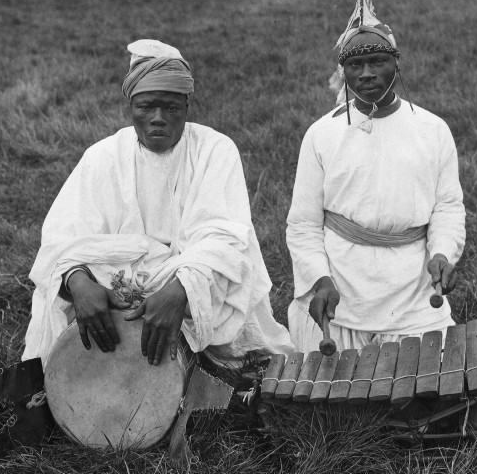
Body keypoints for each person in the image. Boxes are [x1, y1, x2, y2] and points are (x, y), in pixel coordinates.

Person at [22, 39, 294, 368]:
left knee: (229, 270)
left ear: (187, 106)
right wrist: (78, 282)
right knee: (61, 296)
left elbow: (225, 238)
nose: (158, 118)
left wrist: (182, 289)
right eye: (146, 107)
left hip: (188, 281)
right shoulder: (103, 157)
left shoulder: (214, 150)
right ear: (131, 106)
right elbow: (63, 235)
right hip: (116, 284)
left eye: (171, 107)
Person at [286, 0, 466, 352]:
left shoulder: (432, 130)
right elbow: (303, 225)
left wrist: (442, 254)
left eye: (378, 62)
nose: (367, 73)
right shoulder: (321, 134)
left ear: (396, 65)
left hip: (412, 288)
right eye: (356, 65)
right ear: (343, 71)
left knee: (429, 379)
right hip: (342, 286)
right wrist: (320, 280)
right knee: (329, 383)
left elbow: (447, 208)